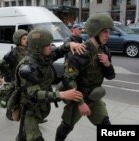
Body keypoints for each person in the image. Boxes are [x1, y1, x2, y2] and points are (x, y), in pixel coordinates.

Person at [14, 28, 84, 141]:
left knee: (23, 136)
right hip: (29, 110)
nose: (50, 47)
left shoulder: (43, 56)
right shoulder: (27, 68)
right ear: (38, 47)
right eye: (47, 45)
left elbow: (58, 51)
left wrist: (70, 44)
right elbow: (34, 95)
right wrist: (62, 95)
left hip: (40, 108)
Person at [55, 13, 116, 141]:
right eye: (105, 32)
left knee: (106, 126)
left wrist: (107, 64)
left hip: (94, 98)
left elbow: (111, 76)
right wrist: (81, 103)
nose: (108, 35)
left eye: (108, 32)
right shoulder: (81, 52)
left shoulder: (105, 51)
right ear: (95, 32)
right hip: (78, 98)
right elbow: (68, 79)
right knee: (65, 128)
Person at [0, 29, 28, 120]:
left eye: (27, 38)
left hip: (26, 79)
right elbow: (2, 63)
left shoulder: (29, 50)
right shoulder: (14, 52)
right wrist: (8, 75)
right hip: (16, 79)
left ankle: (32, 116)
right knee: (13, 96)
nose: (27, 40)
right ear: (18, 40)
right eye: (24, 38)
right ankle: (9, 112)